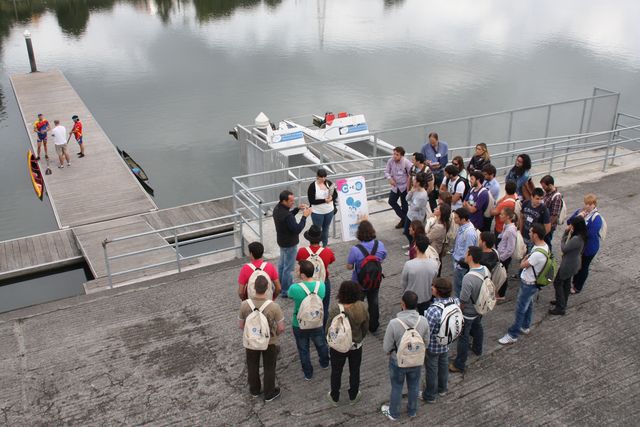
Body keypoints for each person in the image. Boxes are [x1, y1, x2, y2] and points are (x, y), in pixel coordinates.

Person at [381, 291, 430, 421]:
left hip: (398, 361)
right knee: (414, 385)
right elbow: (427, 342)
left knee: (397, 386)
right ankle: (412, 411)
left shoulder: (394, 323)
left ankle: (394, 413)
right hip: (416, 360)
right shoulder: (423, 321)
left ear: (402, 304)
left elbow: (386, 347)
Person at [499, 223, 549, 345]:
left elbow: (522, 265)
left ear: (536, 235)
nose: (529, 233)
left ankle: (513, 334)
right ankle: (525, 326)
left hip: (529, 283)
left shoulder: (537, 253)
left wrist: (524, 259)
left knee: (520, 308)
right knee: (529, 304)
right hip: (531, 283)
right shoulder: (544, 246)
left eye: (531, 232)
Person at [238, 276, 285, 402]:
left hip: (251, 341)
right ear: (268, 288)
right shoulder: (274, 307)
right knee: (269, 367)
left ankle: (254, 390)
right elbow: (281, 328)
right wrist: (275, 335)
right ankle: (269, 393)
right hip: (269, 341)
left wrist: (253, 334)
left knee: (252, 365)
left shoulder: (244, 305)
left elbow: (241, 325)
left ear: (253, 288)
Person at [325, 281, 369, 406]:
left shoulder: (336, 309)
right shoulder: (362, 307)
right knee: (355, 370)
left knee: (336, 371)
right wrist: (360, 337)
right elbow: (366, 326)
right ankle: (353, 395)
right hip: (356, 345)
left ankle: (335, 396)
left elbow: (328, 328)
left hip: (338, 347)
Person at [289, 260, 330, 380]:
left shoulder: (295, 288)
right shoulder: (321, 285)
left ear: (302, 275)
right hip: (317, 320)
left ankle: (308, 373)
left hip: (299, 323)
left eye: (297, 270)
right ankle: (325, 362)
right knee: (321, 343)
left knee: (303, 349)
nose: (296, 271)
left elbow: (291, 296)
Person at [449, 246, 487, 373]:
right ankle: (478, 348)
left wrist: (459, 312)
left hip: (468, 312)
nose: (465, 255)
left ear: (470, 257)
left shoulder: (468, 278)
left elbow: (463, 299)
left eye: (466, 253)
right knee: (478, 326)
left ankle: (459, 363)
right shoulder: (485, 270)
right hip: (479, 308)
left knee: (463, 337)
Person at [346, 220, 387, 332]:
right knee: (374, 303)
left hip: (359, 282)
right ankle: (373, 326)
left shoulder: (355, 249)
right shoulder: (380, 245)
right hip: (375, 280)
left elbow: (349, 266)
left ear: (359, 234)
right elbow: (383, 258)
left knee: (357, 304)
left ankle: (357, 326)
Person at [422, 278, 458, 403]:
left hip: (433, 346)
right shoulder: (455, 301)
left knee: (431, 369)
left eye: (433, 286)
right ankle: (442, 389)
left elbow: (427, 331)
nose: (431, 287)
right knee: (443, 365)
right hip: (447, 341)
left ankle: (430, 395)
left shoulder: (433, 310)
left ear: (438, 291)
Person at [273, 190, 312, 298]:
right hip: (290, 244)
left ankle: (280, 287)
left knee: (281, 266)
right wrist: (304, 216)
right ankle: (286, 291)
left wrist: (296, 209)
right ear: (284, 201)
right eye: (291, 201)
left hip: (281, 241)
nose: (293, 203)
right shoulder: (287, 215)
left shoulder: (277, 209)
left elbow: (288, 218)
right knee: (288, 269)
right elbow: (297, 229)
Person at [297, 225, 336, 324]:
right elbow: (331, 261)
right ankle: (322, 329)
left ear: (309, 238)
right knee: (324, 306)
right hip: (323, 282)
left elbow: (299, 262)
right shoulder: (327, 251)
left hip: (307, 284)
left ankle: (308, 325)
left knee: (306, 306)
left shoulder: (302, 251)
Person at [549, 216, 586, 315]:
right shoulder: (582, 235)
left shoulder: (576, 239)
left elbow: (564, 248)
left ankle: (560, 307)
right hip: (573, 263)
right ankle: (562, 301)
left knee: (558, 282)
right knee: (566, 283)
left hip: (569, 264)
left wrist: (564, 235)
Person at [568, 194, 604, 294]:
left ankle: (577, 286)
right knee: (577, 264)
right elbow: (569, 221)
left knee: (583, 266)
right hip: (579, 246)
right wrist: (578, 216)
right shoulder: (581, 211)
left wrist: (578, 228)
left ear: (594, 204)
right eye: (586, 204)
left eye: (590, 204)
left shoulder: (596, 218)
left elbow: (590, 234)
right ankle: (574, 282)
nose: (587, 206)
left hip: (589, 248)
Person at [401, 234, 439, 315]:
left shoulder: (409, 264)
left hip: (410, 298)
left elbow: (403, 283)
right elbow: (434, 280)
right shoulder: (434, 264)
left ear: (416, 247)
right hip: (426, 296)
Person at [307, 168, 338, 248]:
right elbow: (312, 201)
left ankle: (324, 246)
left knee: (326, 229)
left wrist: (331, 198)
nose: (323, 179)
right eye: (322, 177)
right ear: (317, 176)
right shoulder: (312, 186)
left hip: (329, 211)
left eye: (325, 177)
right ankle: (315, 247)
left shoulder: (328, 183)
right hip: (317, 212)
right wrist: (324, 200)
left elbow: (335, 194)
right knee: (317, 230)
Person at [451, 207, 478, 297]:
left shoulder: (469, 233)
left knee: (460, 288)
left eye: (456, 218)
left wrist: (460, 265)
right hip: (457, 261)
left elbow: (468, 251)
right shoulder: (462, 227)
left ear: (463, 219)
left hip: (461, 265)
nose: (454, 219)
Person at [384, 146, 413, 229]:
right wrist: (389, 178)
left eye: (397, 155)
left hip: (404, 186)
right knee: (391, 201)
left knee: (405, 205)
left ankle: (404, 222)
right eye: (394, 154)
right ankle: (405, 219)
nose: (394, 156)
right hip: (395, 186)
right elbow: (386, 172)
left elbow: (412, 173)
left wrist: (409, 186)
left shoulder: (406, 162)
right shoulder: (391, 161)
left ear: (401, 156)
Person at [421, 132, 448, 210]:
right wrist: (426, 162)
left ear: (437, 140)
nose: (432, 144)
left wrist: (440, 165)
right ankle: (434, 211)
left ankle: (444, 209)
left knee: (443, 192)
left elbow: (445, 159)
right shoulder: (424, 147)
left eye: (433, 142)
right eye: (430, 142)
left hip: (440, 172)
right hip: (430, 173)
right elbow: (422, 159)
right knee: (431, 193)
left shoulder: (444, 145)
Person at [496, 207, 517, 300]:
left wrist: (502, 257)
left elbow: (510, 249)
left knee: (503, 275)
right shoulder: (506, 226)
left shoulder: (511, 230)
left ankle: (501, 295)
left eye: (502, 215)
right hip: (501, 253)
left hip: (504, 257)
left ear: (508, 217)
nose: (500, 216)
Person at [404, 172, 430, 246]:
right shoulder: (414, 190)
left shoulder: (423, 195)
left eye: (415, 179)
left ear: (418, 183)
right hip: (410, 214)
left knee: (415, 234)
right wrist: (411, 192)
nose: (413, 180)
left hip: (416, 218)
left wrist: (411, 204)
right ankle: (411, 244)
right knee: (406, 231)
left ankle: (414, 246)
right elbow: (407, 198)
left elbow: (416, 207)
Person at [540, 175, 563, 250]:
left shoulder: (556, 197)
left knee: (547, 242)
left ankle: (548, 257)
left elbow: (554, 216)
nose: (543, 188)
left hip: (548, 226)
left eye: (544, 187)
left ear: (550, 185)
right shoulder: (546, 192)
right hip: (543, 223)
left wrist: (546, 228)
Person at [482, 164, 500, 231]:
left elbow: (487, 198)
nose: (484, 176)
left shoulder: (495, 186)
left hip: (489, 209)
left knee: (486, 228)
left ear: (492, 174)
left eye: (486, 174)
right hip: (483, 207)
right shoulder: (485, 181)